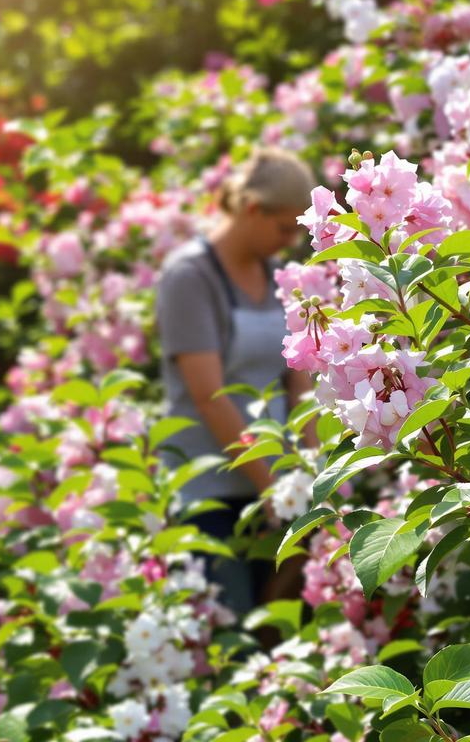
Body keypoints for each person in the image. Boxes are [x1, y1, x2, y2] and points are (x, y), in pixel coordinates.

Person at [154, 148, 317, 613]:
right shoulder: (191, 276)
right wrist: (272, 487)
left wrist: (308, 472)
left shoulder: (274, 276)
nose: (289, 242)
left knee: (276, 630)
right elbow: (209, 396)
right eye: (284, 228)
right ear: (251, 209)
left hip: (273, 488)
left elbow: (296, 381)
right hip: (212, 494)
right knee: (231, 633)